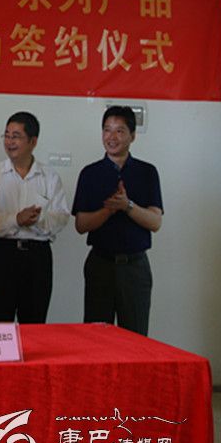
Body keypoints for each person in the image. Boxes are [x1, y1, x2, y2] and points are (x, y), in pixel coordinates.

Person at [72, 105, 163, 336]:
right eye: (107, 130)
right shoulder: (89, 173)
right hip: (100, 265)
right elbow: (81, 225)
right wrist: (109, 210)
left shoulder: (147, 172)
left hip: (135, 267)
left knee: (135, 338)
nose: (111, 137)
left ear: (133, 136)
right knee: (96, 338)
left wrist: (127, 206)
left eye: (119, 131)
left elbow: (155, 222)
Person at [0, 112, 69, 324]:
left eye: (16, 136)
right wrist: (16, 219)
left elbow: (61, 217)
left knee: (34, 324)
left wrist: (37, 220)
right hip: (1, 256)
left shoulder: (50, 177)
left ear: (33, 141)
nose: (9, 142)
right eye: (6, 135)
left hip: (37, 258)